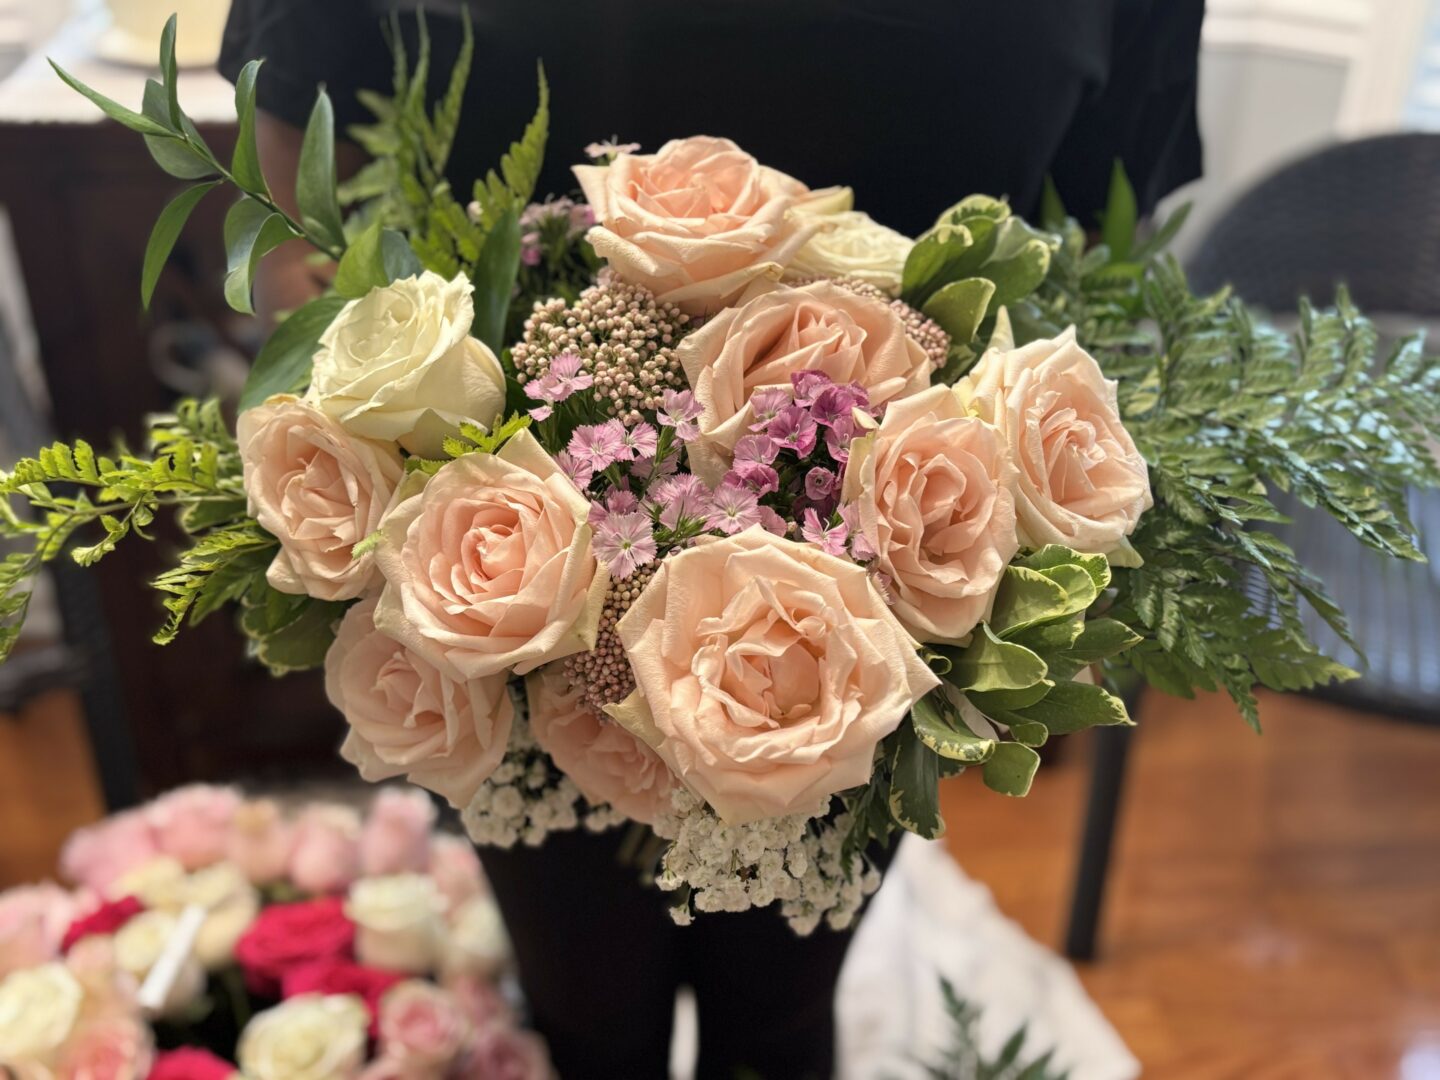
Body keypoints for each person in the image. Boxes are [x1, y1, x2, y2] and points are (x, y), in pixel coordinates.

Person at [219, 2, 1204, 1075]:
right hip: (496, 570)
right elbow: (290, 123)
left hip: (898, 581)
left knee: (782, 1016)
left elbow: (1101, 233)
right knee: (583, 1006)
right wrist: (371, 428)